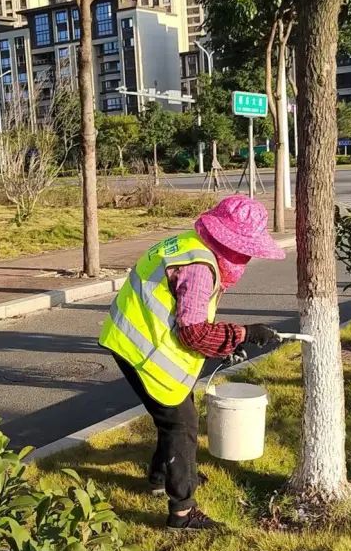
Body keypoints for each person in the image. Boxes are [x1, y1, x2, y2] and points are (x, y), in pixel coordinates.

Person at [97, 194, 286, 532]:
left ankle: (161, 477)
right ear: (228, 242)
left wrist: (226, 344)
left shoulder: (187, 244)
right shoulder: (200, 267)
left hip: (127, 336)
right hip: (145, 350)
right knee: (181, 424)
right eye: (245, 250)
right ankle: (182, 513)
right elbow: (194, 333)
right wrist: (242, 334)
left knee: (172, 413)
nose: (246, 258)